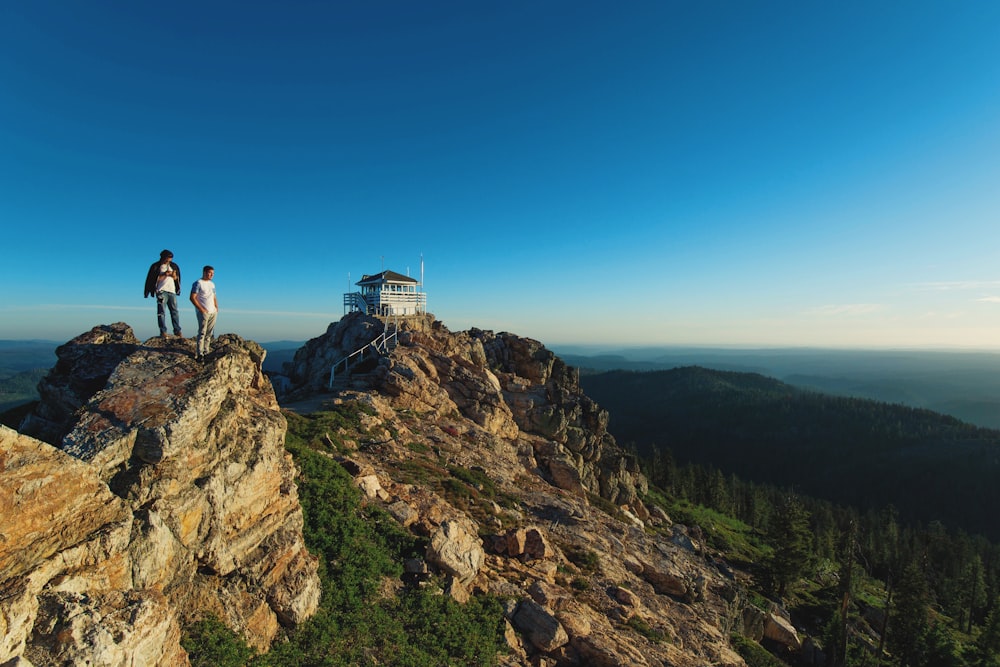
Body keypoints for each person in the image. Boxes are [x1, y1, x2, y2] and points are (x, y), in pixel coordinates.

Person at [144, 249, 182, 338]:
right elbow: (152, 279)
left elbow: (177, 279)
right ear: (163, 257)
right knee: (161, 312)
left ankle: (177, 330)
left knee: (174, 311)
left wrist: (174, 276)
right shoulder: (156, 266)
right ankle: (163, 331)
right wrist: (165, 274)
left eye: (170, 258)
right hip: (161, 291)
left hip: (172, 291)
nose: (169, 260)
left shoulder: (174, 266)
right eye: (168, 258)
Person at [189, 265, 218, 361]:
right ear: (204, 272)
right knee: (202, 333)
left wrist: (216, 307)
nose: (211, 275)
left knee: (209, 333)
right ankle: (200, 353)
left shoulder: (212, 284)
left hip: (213, 311)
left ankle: (206, 352)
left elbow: (213, 296)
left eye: (213, 273)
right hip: (203, 312)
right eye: (210, 273)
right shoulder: (198, 283)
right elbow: (192, 297)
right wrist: (201, 309)